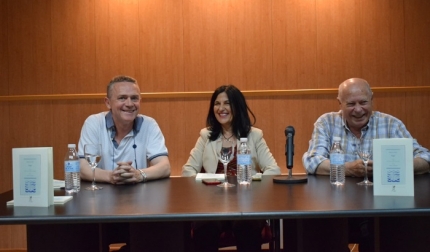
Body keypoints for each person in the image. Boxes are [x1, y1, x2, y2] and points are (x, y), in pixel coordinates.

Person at [302, 77, 430, 252]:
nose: (358, 109)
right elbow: (312, 161)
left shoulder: (391, 124)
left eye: (363, 102)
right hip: (337, 207)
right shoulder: (326, 123)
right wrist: (346, 169)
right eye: (350, 104)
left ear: (372, 100)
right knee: (316, 233)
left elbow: (425, 157)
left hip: (384, 209)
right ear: (339, 103)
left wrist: (391, 166)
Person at [182, 84, 280, 252]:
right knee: (205, 228)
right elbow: (188, 171)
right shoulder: (206, 135)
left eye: (227, 103)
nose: (221, 109)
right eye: (216, 104)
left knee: (246, 227)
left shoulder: (254, 135)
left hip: (247, 204)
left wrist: (252, 183)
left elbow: (273, 170)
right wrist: (206, 186)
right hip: (212, 204)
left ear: (237, 106)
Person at [78, 75, 171, 252]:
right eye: (122, 98)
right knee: (84, 237)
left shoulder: (149, 124)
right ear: (108, 102)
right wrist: (111, 176)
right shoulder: (93, 123)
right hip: (99, 207)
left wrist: (138, 174)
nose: (129, 103)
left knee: (158, 235)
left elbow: (164, 166)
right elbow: (82, 167)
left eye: (134, 98)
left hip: (140, 207)